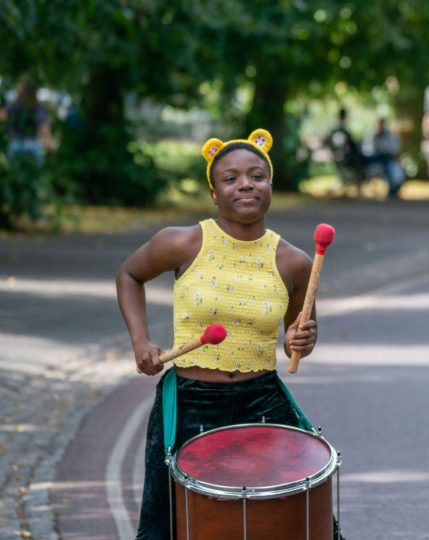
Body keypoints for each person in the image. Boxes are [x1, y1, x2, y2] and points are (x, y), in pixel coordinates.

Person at [116, 129, 337, 539]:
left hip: (262, 399)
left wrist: (302, 342)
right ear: (214, 192)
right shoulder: (182, 242)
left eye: (257, 175)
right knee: (174, 521)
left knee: (292, 517)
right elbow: (129, 274)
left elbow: (300, 334)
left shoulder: (296, 262)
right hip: (190, 400)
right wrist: (140, 342)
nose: (245, 185)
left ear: (271, 185)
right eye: (230, 178)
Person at [4, 76, 52, 164]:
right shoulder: (16, 105)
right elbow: (43, 126)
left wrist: (48, 142)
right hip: (21, 143)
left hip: (26, 143)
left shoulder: (35, 107)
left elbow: (43, 126)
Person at [324, 107, 367, 187]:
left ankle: (358, 180)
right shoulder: (337, 128)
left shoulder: (339, 127)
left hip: (344, 154)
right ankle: (358, 180)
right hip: (344, 155)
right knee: (360, 160)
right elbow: (343, 143)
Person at [367, 117, 406, 198]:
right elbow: (373, 150)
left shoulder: (390, 136)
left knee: (394, 170)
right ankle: (391, 189)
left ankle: (393, 189)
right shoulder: (375, 136)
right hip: (380, 158)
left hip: (390, 158)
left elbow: (395, 149)